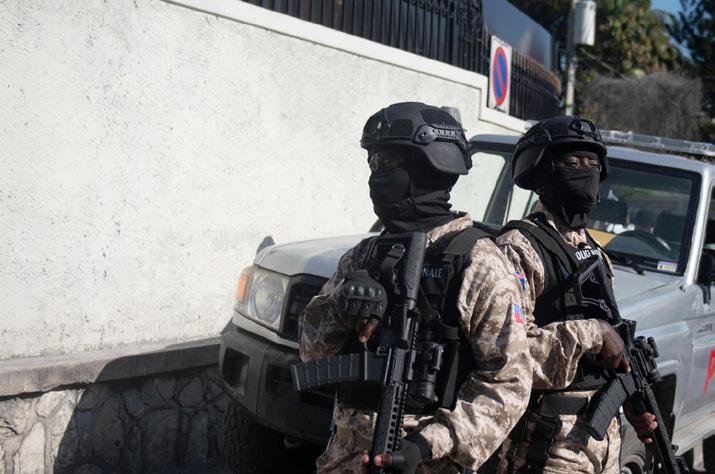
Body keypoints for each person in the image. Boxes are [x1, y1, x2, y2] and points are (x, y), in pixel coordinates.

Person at [299, 102, 532, 474]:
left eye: (388, 163)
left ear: (430, 166)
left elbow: (509, 383)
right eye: (372, 164)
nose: (376, 177)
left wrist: (426, 445)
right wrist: (341, 305)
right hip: (345, 459)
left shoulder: (477, 262)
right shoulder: (364, 255)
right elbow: (312, 354)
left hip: (428, 463)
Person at [495, 116, 657, 473]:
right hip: (548, 444)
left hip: (603, 442)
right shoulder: (518, 248)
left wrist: (629, 397)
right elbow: (506, 353)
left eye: (593, 164)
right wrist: (594, 334)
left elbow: (609, 345)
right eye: (573, 163)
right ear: (541, 173)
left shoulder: (593, 252)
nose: (586, 171)